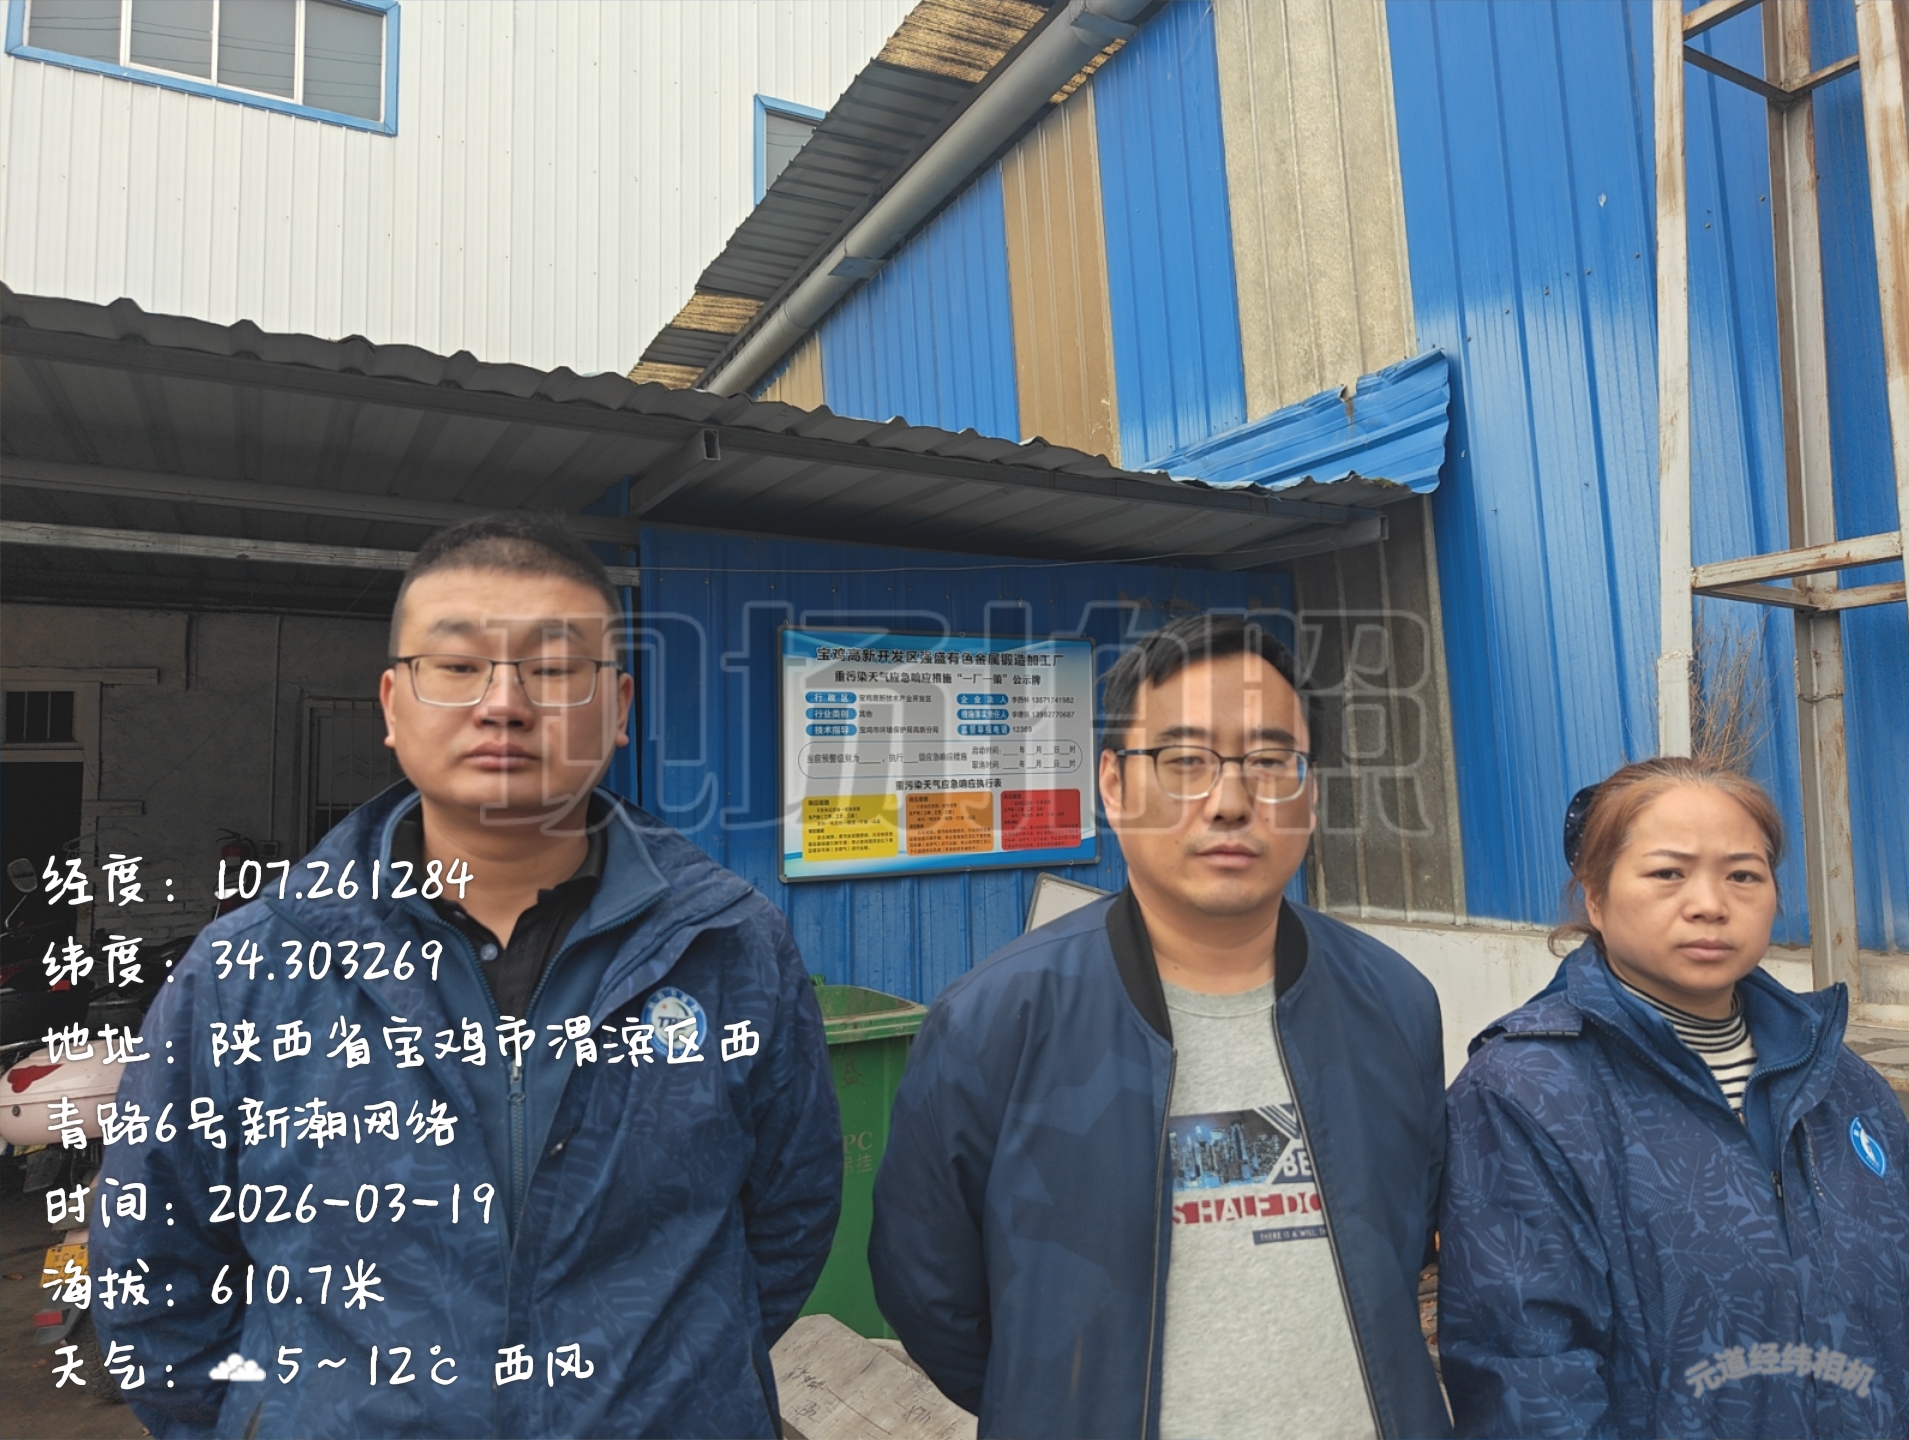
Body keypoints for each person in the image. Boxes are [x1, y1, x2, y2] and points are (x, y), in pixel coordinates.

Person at [93, 516, 841, 1439]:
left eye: (554, 669)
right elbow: (153, 1265)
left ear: (619, 708)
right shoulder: (247, 969)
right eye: (455, 666)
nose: (504, 704)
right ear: (392, 704)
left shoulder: (731, 946)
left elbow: (790, 1216)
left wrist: (672, 1389)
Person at [869, 614, 1451, 1440]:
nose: (1231, 802)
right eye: (1184, 762)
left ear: (1311, 790)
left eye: (1270, 761)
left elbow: (1405, 1247)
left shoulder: (1394, 1004)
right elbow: (929, 1291)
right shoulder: (995, 1022)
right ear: (1113, 786)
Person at [1440, 756, 1909, 1439]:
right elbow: (1530, 1380)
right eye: (1668, 873)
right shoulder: (1527, 1093)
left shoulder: (1838, 1081)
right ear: (1595, 897)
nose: (1710, 904)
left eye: (1743, 875)